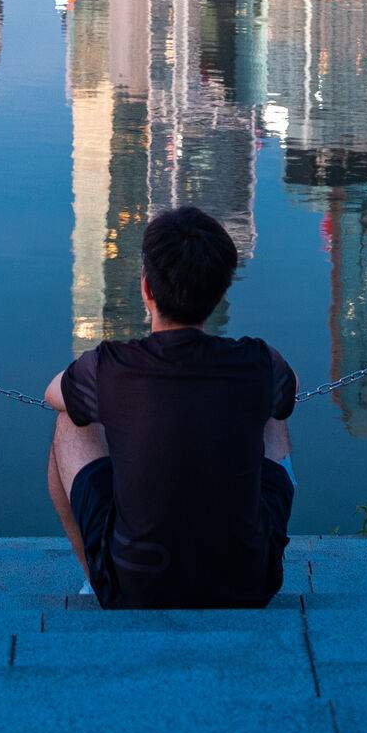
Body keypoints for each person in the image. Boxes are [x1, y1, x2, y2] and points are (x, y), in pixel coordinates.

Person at [44, 205, 295, 609]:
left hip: (133, 586)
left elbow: (52, 393)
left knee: (70, 422)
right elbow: (288, 397)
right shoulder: (260, 361)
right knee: (270, 410)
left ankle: (96, 577)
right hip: (250, 583)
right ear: (220, 293)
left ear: (146, 290)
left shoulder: (111, 365)